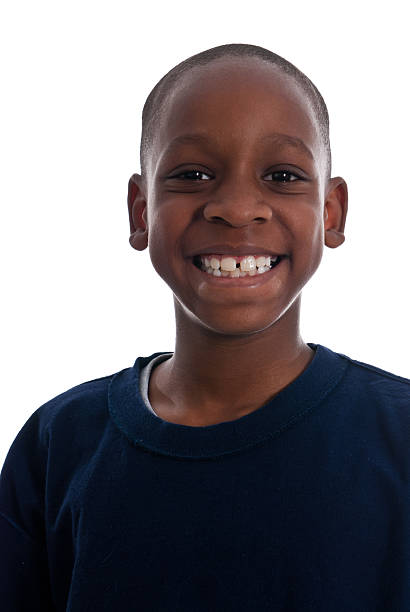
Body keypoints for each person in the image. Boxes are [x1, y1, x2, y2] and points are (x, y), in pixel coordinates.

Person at [1, 43, 409, 611]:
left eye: (282, 175)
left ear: (332, 213)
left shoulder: (400, 438)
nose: (238, 207)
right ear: (141, 212)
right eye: (193, 174)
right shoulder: (56, 446)